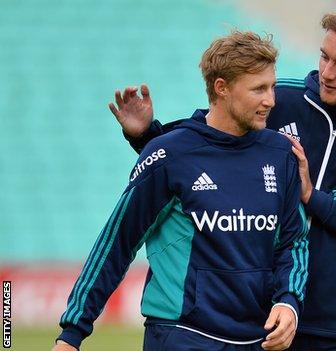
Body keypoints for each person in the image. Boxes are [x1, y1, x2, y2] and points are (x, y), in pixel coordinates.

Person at [113, 6, 336, 351]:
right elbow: (205, 141)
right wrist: (147, 137)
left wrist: (316, 198)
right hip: (267, 325)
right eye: (324, 57)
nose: (326, 73)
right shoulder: (282, 99)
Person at [53, 31, 309, 351]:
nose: (271, 99)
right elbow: (117, 243)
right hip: (182, 336)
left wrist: (288, 301)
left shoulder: (279, 153)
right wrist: (72, 333)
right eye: (259, 89)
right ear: (222, 88)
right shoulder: (169, 154)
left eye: (271, 86)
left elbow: (293, 241)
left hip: (257, 339)